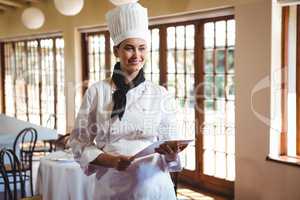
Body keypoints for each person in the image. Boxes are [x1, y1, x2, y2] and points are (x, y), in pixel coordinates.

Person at [69, 2, 183, 200]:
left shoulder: (160, 93)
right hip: (112, 187)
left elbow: (170, 143)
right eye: (129, 48)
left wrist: (172, 150)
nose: (136, 55)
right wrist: (111, 161)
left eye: (142, 48)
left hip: (154, 187)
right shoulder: (97, 92)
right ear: (116, 51)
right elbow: (79, 142)